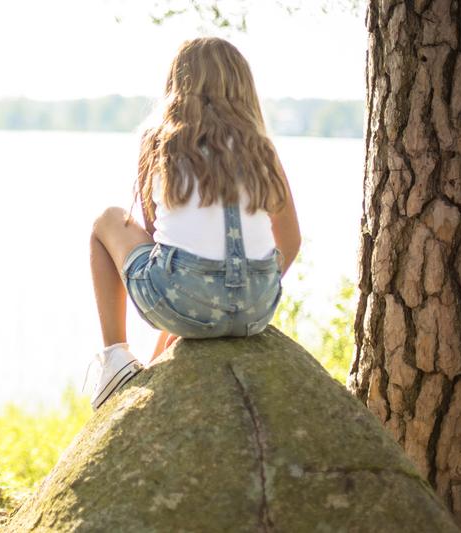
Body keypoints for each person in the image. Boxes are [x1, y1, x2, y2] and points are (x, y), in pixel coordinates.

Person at [86, 37, 302, 410]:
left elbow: (162, 247)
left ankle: (116, 359)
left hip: (182, 297)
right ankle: (204, 316)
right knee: (198, 266)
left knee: (106, 222)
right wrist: (239, 293)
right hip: (256, 308)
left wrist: (202, 302)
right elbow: (291, 240)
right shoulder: (263, 150)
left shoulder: (161, 142)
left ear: (178, 86)